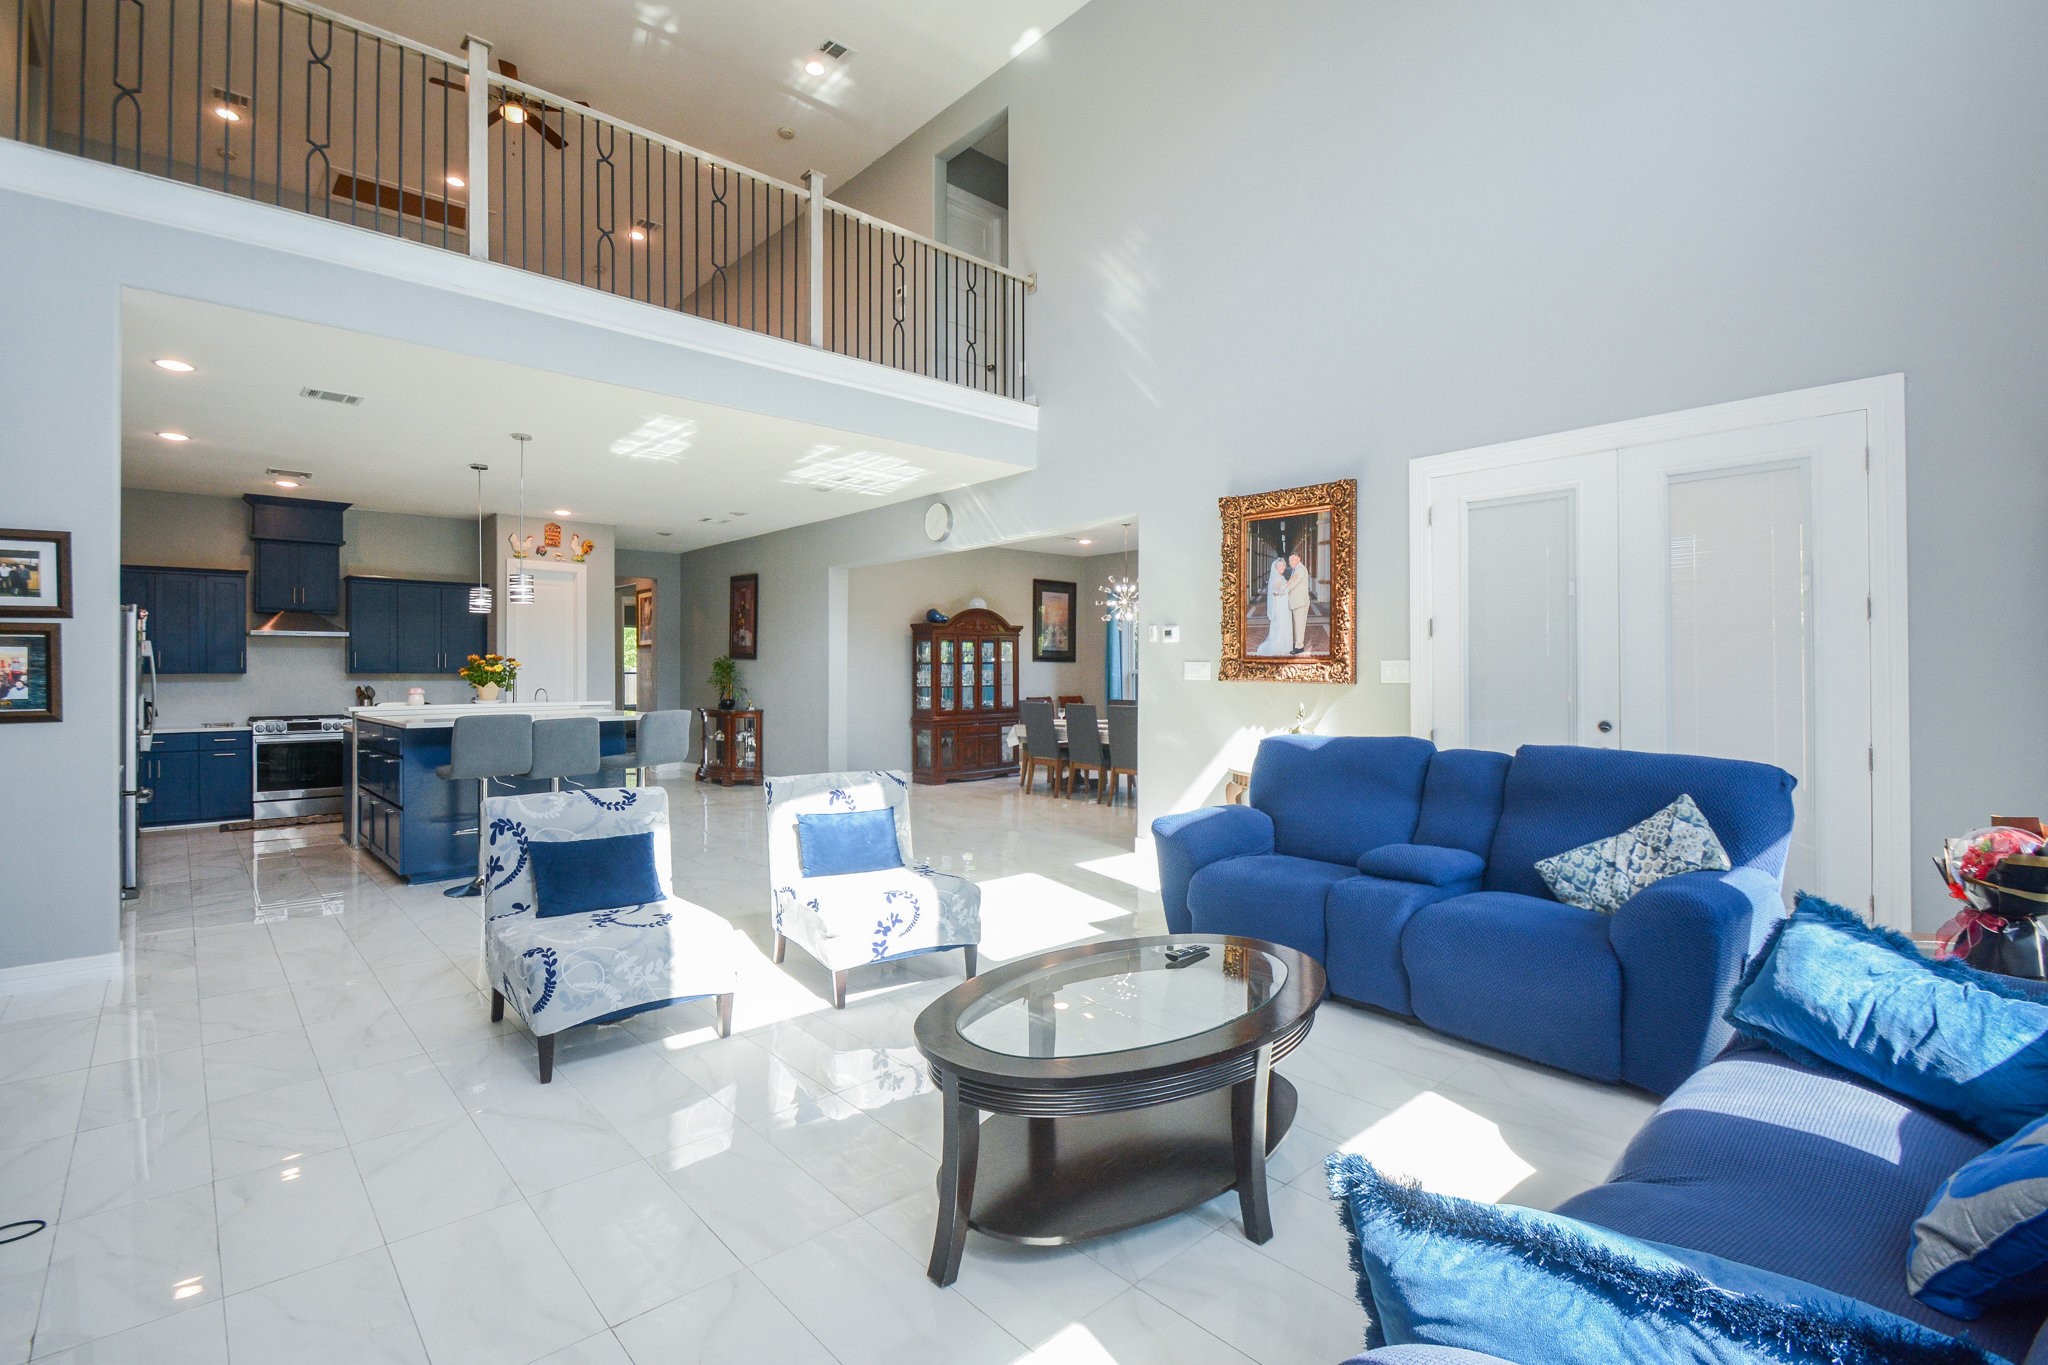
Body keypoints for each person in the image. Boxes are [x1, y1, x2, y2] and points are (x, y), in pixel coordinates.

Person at [1254, 550, 1293, 655]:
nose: (1282, 567)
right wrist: (1288, 586)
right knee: (1281, 624)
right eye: (1280, 566)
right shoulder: (1276, 579)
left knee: (1286, 623)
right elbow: (1279, 592)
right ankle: (1281, 645)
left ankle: (1287, 644)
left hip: (1284, 604)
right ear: (1276, 568)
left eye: (1283, 565)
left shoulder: (1281, 577)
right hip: (1280, 606)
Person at [1287, 552, 1313, 654]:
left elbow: (1293, 584)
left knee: (1299, 625)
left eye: (1292, 560)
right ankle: (1296, 644)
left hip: (1300, 602)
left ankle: (1299, 647)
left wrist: (1282, 591)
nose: (1290, 562)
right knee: (1296, 624)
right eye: (1289, 561)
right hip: (1296, 602)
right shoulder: (1295, 569)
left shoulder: (1301, 570)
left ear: (1298, 559)